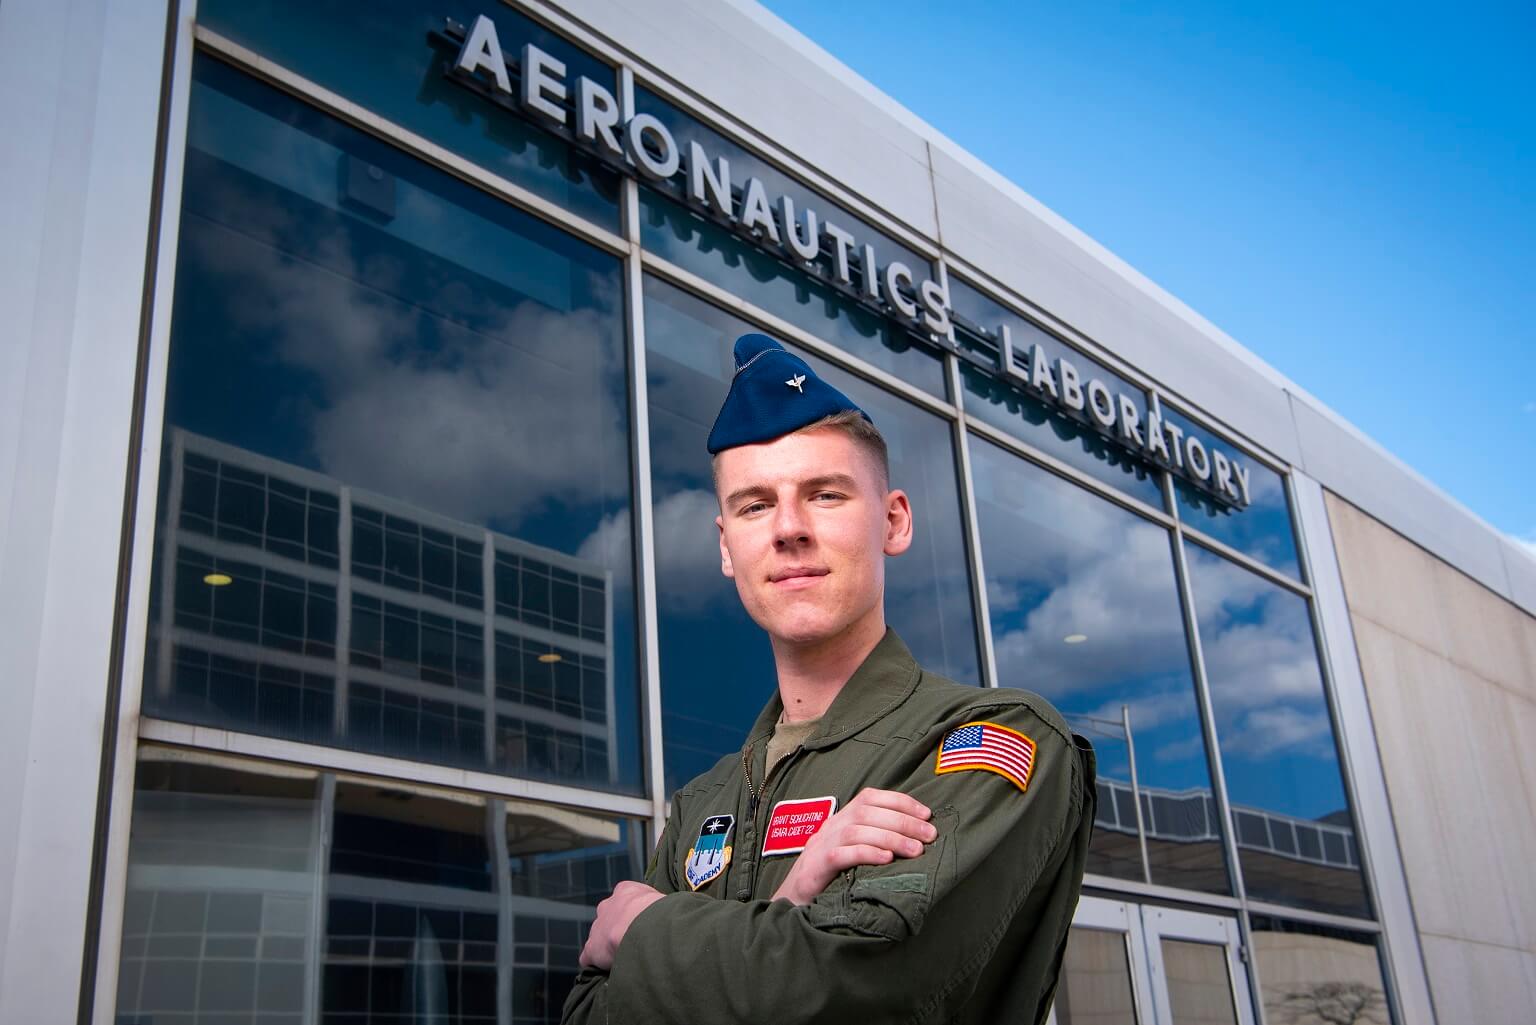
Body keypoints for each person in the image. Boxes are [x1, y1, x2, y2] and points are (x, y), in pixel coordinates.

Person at [560, 332, 1096, 1025]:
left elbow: (849, 989)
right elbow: (585, 1012)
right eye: (755, 505)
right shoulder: (706, 800)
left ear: (893, 521)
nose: (787, 528)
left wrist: (641, 929)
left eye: (825, 494)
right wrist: (786, 910)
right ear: (728, 548)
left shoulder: (989, 738)